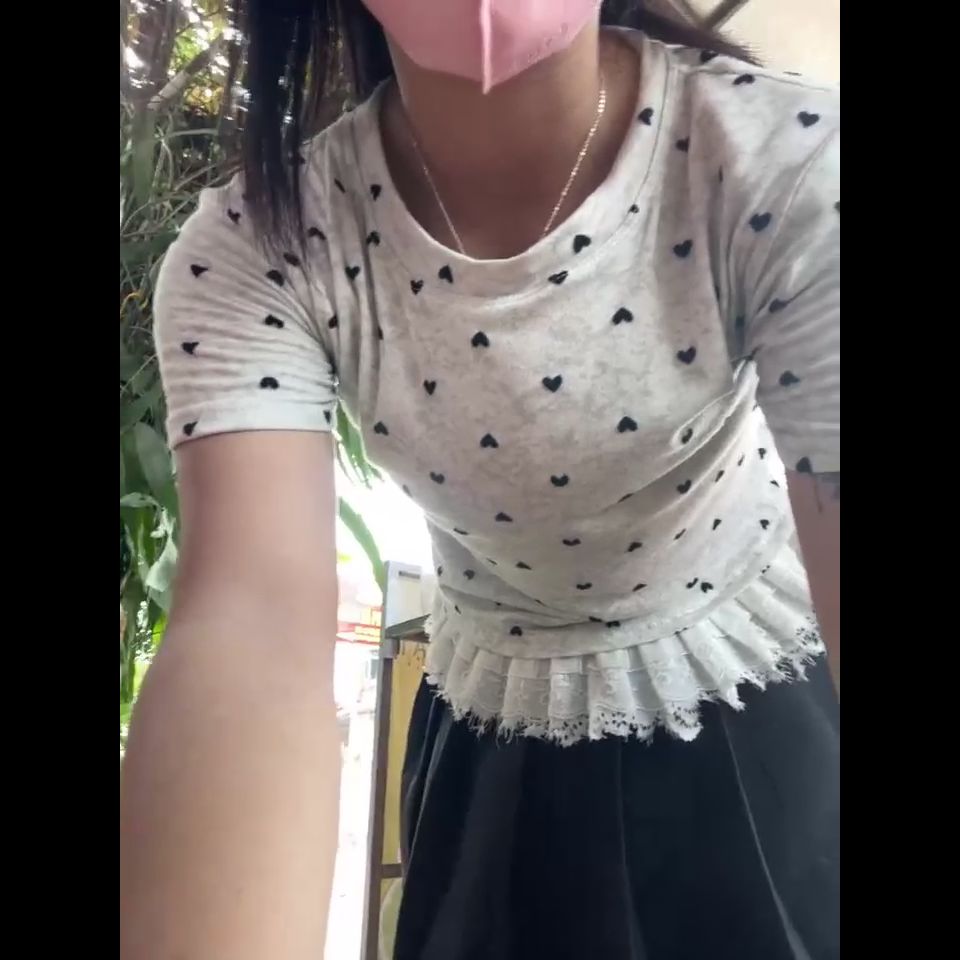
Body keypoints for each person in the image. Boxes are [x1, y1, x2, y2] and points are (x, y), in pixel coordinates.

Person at [119, 1, 839, 958]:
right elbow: (250, 621)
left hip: (756, 708)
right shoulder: (260, 248)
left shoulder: (790, 161)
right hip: (492, 745)